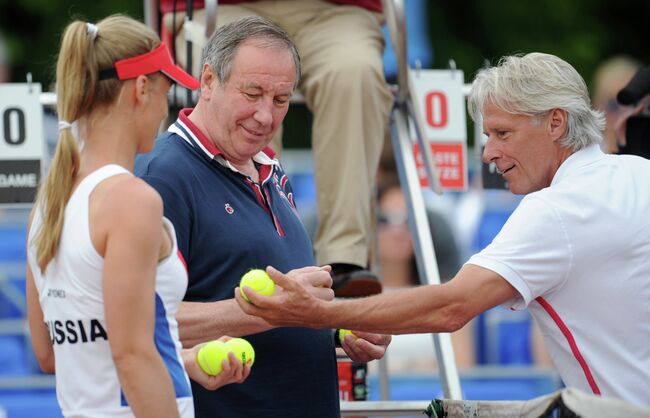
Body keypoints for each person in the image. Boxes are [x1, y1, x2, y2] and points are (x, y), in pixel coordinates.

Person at [236, 52, 650, 408]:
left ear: (556, 123)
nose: (488, 152)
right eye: (488, 136)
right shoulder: (638, 172)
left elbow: (451, 307)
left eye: (503, 133)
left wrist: (318, 314)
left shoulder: (557, 209)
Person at [135, 17, 391, 418]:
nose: (265, 117)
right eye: (252, 93)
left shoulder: (269, 166)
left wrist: (337, 329)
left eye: (281, 99)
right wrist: (266, 311)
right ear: (207, 80)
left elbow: (279, 314)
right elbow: (136, 323)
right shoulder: (166, 175)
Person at [25, 15, 249, 418]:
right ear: (141, 89)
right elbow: (131, 355)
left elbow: (52, 354)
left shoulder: (47, 206)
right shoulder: (132, 200)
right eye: (166, 92)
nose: (167, 108)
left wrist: (182, 362)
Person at [165, 0, 394, 296]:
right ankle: (255, 256)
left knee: (356, 72)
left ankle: (343, 260)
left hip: (335, 11)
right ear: (206, 80)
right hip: (223, 8)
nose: (266, 114)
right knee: (251, 106)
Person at [591, 55, 642, 154]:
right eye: (613, 105)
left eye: (634, 105)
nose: (624, 116)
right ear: (596, 108)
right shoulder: (584, 159)